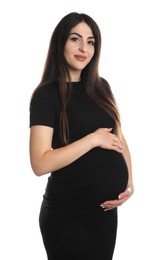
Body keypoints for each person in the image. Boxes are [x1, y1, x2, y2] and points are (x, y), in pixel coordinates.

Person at [29, 12, 134, 260]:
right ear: (61, 42)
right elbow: (39, 163)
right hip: (67, 213)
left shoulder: (101, 87)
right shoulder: (46, 96)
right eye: (75, 39)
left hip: (105, 214)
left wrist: (129, 181)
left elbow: (118, 136)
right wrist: (92, 139)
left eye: (90, 41)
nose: (83, 48)